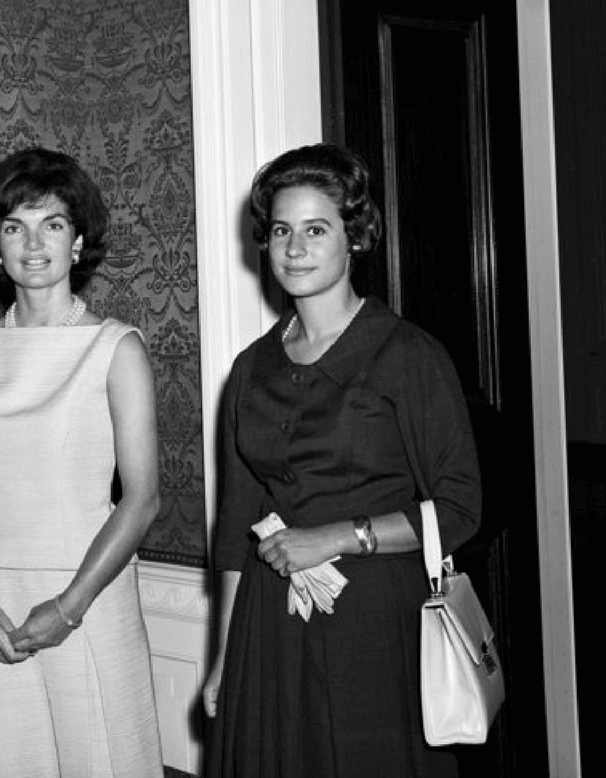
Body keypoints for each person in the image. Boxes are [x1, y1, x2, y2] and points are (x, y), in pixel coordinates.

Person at [202, 144, 482, 778]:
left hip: (378, 628)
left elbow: (461, 509)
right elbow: (235, 527)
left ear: (353, 239)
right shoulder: (250, 369)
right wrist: (221, 657)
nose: (294, 248)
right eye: (281, 230)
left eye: (315, 229)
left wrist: (338, 537)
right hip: (268, 629)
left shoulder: (407, 356)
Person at [0, 147, 165, 777]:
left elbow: (143, 497)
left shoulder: (115, 348)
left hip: (87, 594)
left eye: (52, 224)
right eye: (15, 227)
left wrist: (69, 606)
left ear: (78, 238)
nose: (33, 245)